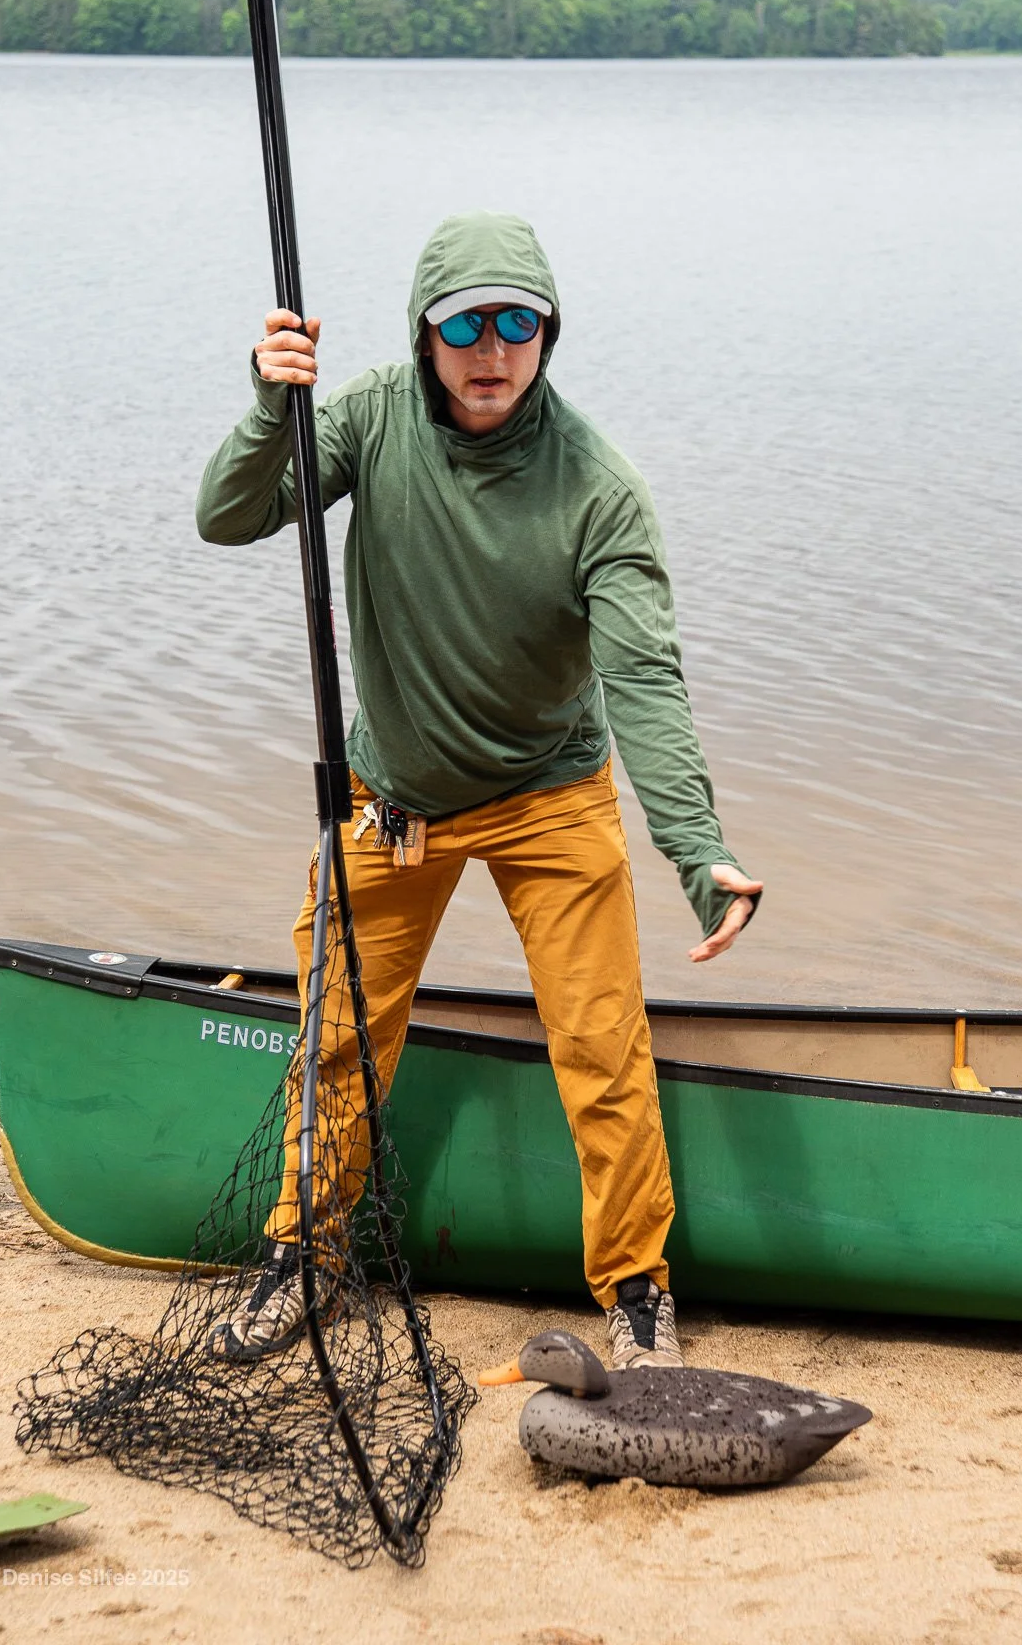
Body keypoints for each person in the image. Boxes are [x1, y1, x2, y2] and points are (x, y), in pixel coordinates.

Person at [196, 210, 762, 1371]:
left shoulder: (599, 490)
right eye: (466, 325)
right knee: (337, 1041)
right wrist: (272, 403)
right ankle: (304, 1255)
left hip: (551, 798)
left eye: (519, 323)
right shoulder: (361, 418)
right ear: (425, 335)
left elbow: (644, 681)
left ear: (549, 333)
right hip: (392, 797)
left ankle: (636, 1285)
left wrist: (698, 850)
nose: (492, 350)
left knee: (602, 1047)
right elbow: (228, 516)